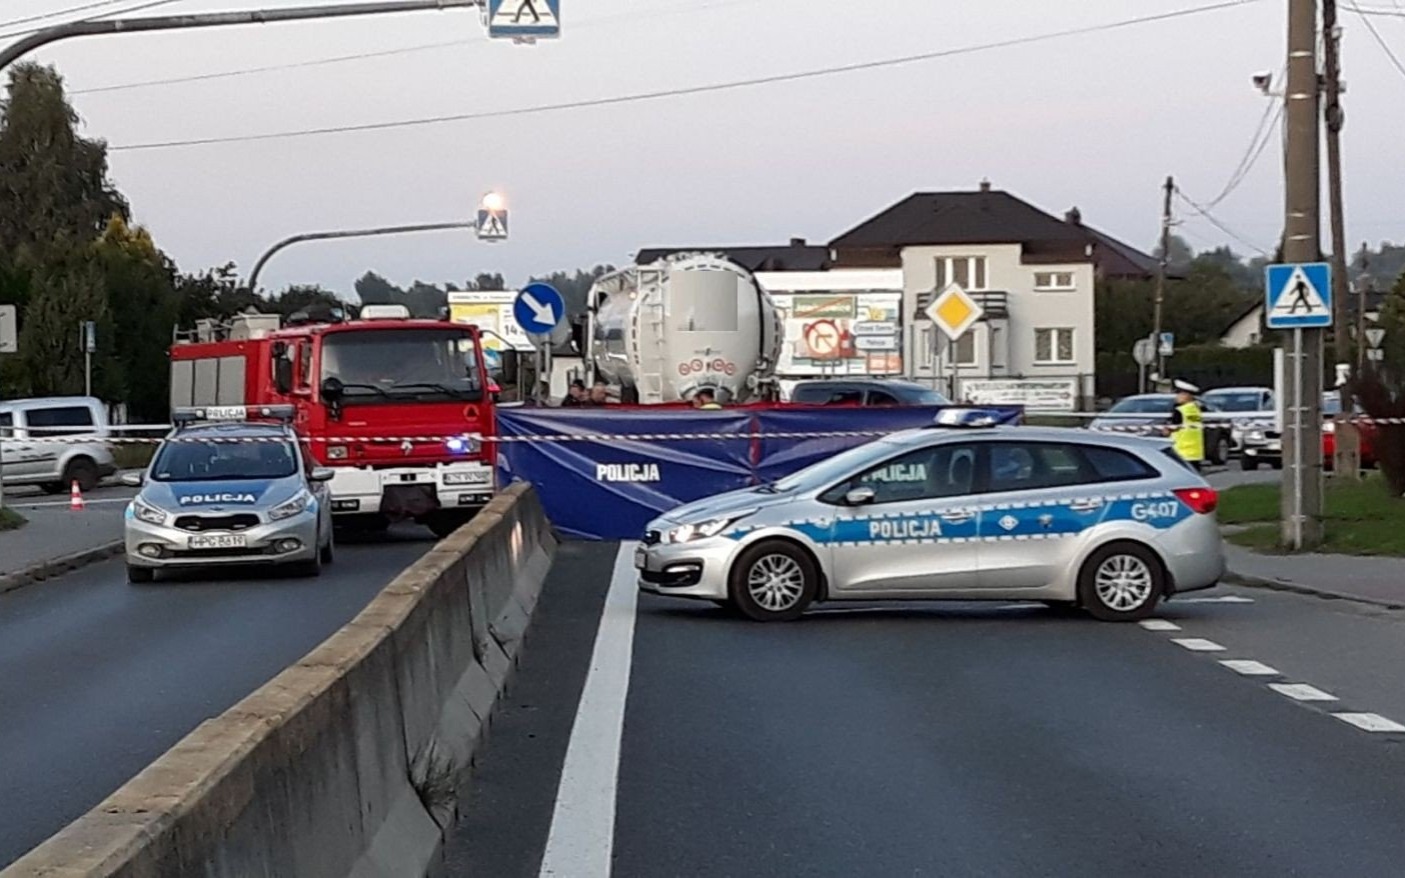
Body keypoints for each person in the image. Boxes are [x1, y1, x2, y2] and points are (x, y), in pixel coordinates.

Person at [1167, 379, 1205, 470]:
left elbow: (1169, 430)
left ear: (1187, 395)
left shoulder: (1180, 411)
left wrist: (1165, 430)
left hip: (1181, 451)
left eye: (1179, 394)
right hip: (1195, 452)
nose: (1177, 397)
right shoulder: (1195, 409)